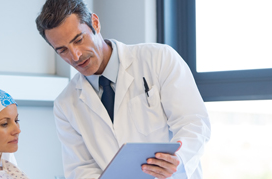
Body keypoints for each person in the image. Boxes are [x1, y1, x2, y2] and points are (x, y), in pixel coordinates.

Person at [35, 0, 211, 178]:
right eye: (62, 50)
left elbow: (193, 122)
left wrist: (178, 159)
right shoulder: (65, 104)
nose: (75, 55)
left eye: (79, 40)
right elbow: (80, 168)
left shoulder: (159, 59)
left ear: (95, 23)